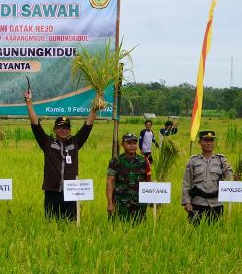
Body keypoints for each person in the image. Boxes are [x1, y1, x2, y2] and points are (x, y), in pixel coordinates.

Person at [24, 89, 97, 221]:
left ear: (69, 130)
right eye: (60, 128)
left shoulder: (75, 142)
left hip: (71, 192)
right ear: (54, 129)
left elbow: (88, 126)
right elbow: (35, 124)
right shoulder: (47, 142)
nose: (63, 130)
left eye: (66, 128)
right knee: (51, 225)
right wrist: (29, 103)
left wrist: (95, 108)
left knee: (70, 225)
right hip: (52, 191)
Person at [181, 131, 234, 225]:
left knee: (215, 233)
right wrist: (187, 202)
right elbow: (186, 182)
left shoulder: (221, 160)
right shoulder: (193, 161)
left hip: (216, 203)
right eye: (206, 140)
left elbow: (230, 178)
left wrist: (235, 177)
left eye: (211, 140)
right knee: (194, 234)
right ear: (200, 142)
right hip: (197, 203)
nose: (209, 143)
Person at [106, 133, 152, 223]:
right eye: (129, 143)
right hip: (121, 203)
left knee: (139, 229)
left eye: (134, 143)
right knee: (119, 230)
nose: (132, 146)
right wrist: (110, 204)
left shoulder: (144, 161)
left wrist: (151, 199)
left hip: (139, 203)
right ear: (122, 144)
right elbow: (109, 182)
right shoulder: (115, 162)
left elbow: (148, 181)